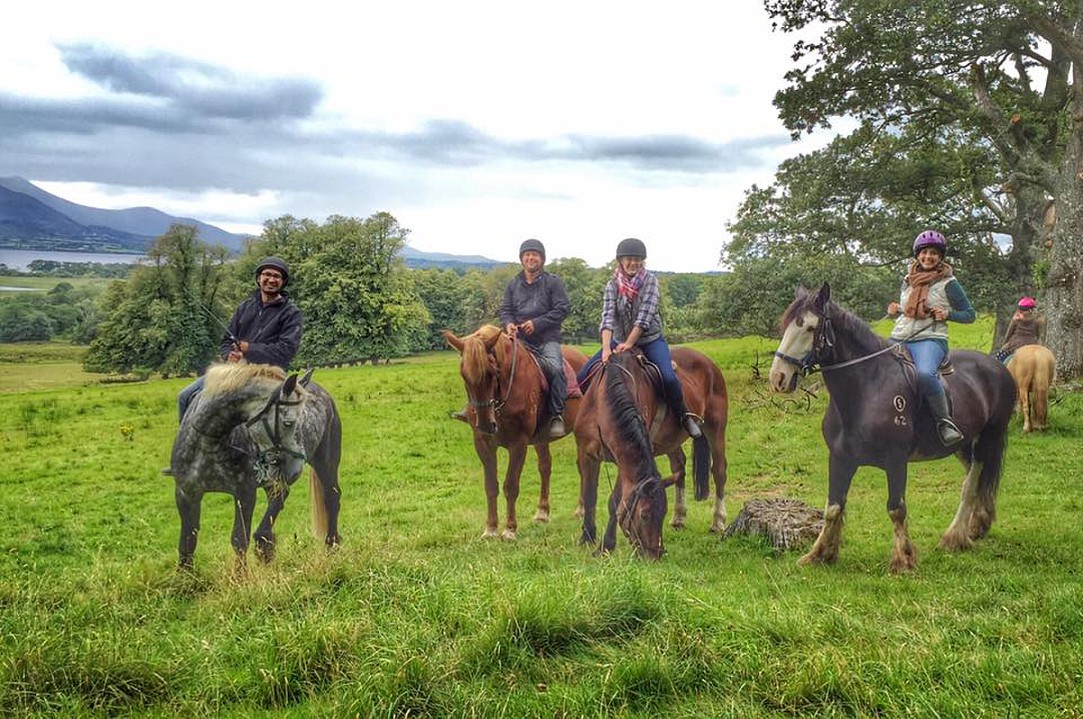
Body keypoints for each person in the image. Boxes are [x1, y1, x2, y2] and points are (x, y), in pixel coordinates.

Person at [576, 238, 703, 439]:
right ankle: (597, 418)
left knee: (668, 378)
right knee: (582, 377)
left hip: (649, 340)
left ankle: (683, 416)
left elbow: (645, 317)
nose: (633, 263)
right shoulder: (612, 285)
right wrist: (607, 347)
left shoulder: (650, 281)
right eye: (629, 259)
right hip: (617, 341)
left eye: (637, 260)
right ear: (620, 261)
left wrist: (630, 343)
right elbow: (607, 317)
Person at [175, 256, 303, 424]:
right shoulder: (245, 306)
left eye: (277, 276)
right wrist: (229, 355)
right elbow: (226, 341)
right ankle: (187, 448)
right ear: (259, 278)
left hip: (267, 375)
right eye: (267, 274)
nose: (271, 280)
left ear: (283, 282)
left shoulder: (291, 313)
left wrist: (249, 349)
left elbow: (285, 351)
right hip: (234, 371)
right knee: (184, 397)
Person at [886, 230, 975, 446]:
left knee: (925, 374)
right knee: (874, 369)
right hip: (899, 337)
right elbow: (909, 310)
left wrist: (948, 314)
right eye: (924, 252)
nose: (928, 257)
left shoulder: (949, 283)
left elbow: (970, 315)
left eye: (934, 253)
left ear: (940, 257)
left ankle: (944, 423)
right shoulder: (908, 280)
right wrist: (895, 310)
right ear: (917, 255)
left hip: (930, 339)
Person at [994, 296, 1044, 363]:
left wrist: (1005, 344)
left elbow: (1008, 335)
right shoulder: (1038, 321)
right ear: (1031, 310)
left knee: (999, 358)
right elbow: (1039, 335)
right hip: (1032, 344)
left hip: (1015, 345)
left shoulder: (1016, 319)